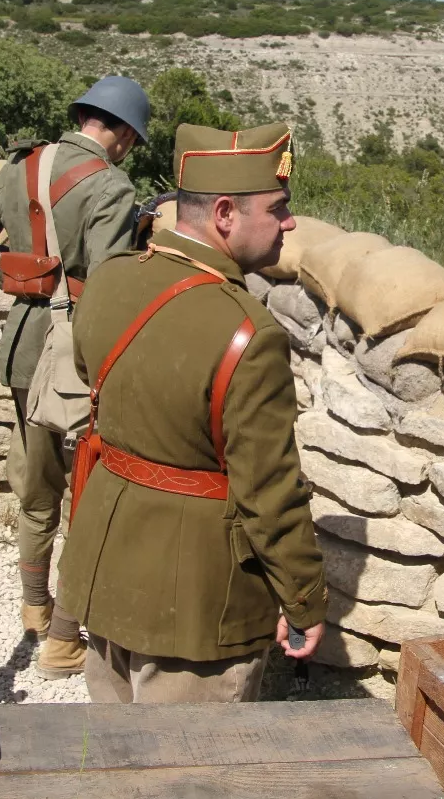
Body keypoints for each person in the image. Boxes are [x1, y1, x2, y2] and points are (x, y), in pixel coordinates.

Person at [57, 120, 326, 703]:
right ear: (225, 214)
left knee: (112, 762)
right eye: (277, 208)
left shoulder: (108, 281)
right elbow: (269, 493)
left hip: (105, 570)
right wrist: (304, 602)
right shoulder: (250, 334)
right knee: (193, 783)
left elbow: (91, 381)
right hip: (198, 605)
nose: (290, 221)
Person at [0, 76, 149, 679]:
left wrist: (23, 280)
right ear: (124, 134)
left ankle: (36, 608)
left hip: (23, 347)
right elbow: (110, 286)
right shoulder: (111, 184)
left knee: (35, 489)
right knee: (89, 491)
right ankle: (64, 640)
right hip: (77, 357)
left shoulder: (23, 166)